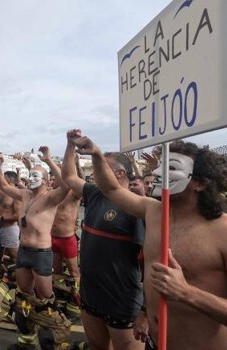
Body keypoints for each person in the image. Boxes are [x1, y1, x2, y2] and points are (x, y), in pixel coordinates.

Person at [70, 131, 227, 349]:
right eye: (159, 166)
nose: (157, 172)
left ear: (199, 182)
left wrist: (188, 293)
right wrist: (96, 154)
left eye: (171, 167)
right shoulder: (153, 211)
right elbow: (111, 188)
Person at [61, 131, 145, 350]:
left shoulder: (136, 206)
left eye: (102, 166)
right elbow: (69, 177)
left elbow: (150, 264)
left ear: (119, 173)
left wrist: (145, 311)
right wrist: (70, 144)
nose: (96, 170)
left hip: (122, 302)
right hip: (91, 296)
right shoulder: (95, 193)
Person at [0, 147, 72, 350]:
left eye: (36, 174)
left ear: (46, 180)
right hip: (24, 252)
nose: (31, 177)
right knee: (24, 298)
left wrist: (48, 160)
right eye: (30, 174)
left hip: (41, 254)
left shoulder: (50, 198)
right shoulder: (26, 194)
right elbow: (3, 186)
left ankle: (55, 340)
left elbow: (65, 184)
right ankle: (27, 339)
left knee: (46, 301)